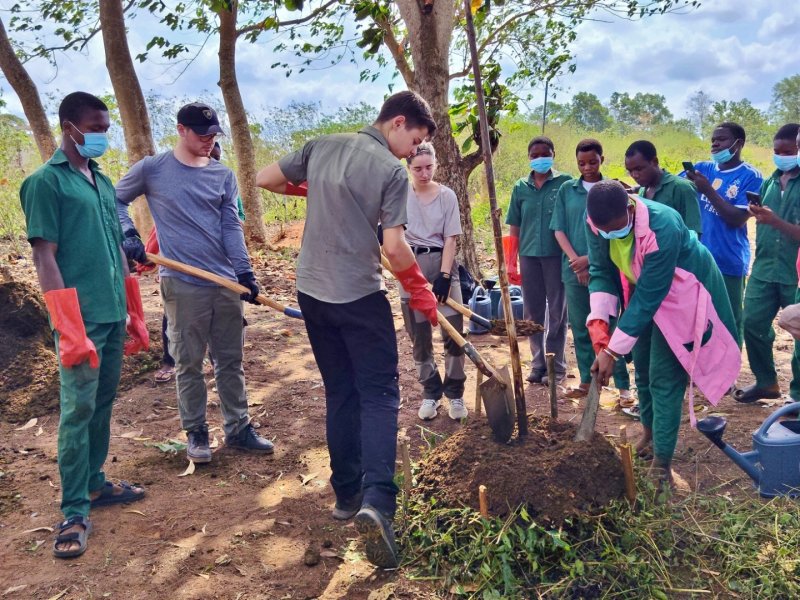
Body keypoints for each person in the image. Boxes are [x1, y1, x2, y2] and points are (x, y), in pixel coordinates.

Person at [255, 90, 438, 569]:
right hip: (358, 294)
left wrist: (316, 189)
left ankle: (345, 494)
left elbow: (265, 179)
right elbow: (395, 249)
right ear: (397, 122)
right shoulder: (390, 171)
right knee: (379, 394)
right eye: (414, 141)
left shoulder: (321, 146)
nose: (412, 152)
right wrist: (420, 290)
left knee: (341, 391)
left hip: (311, 291)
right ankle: (378, 501)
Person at [19, 92, 148, 559]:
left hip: (112, 313)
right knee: (77, 409)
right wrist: (67, 326)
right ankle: (74, 509)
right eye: (95, 126)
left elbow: (116, 247)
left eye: (106, 127)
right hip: (80, 317)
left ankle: (94, 484)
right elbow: (44, 256)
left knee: (103, 402)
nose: (102, 135)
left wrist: (133, 306)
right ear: (70, 126)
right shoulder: (44, 183)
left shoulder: (102, 181)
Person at [116, 102, 274, 464]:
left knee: (230, 360)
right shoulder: (153, 170)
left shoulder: (222, 175)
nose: (208, 141)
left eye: (213, 136)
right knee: (188, 362)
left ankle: (239, 428)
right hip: (182, 283)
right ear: (181, 130)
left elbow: (231, 226)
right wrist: (129, 235)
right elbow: (113, 199)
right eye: (202, 135)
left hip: (224, 282)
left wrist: (244, 272)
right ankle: (197, 432)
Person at [586, 180, 739, 489]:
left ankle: (663, 463)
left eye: (617, 229)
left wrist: (612, 352)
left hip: (680, 292)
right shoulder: (596, 220)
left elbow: (650, 296)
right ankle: (650, 434)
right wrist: (600, 328)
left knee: (663, 377)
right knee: (641, 365)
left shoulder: (663, 225)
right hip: (640, 289)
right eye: (605, 231)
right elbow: (600, 270)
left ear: (630, 207)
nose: (610, 235)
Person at [550, 139, 631, 402]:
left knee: (614, 326)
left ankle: (623, 386)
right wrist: (576, 261)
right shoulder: (567, 190)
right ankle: (587, 379)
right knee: (582, 326)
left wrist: (589, 260)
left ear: (602, 160)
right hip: (573, 270)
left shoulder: (613, 190)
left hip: (607, 269)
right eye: (582, 163)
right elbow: (559, 228)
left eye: (593, 162)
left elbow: (620, 233)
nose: (587, 167)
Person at [401, 142, 467, 421]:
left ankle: (455, 394)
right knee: (420, 337)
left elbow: (451, 238)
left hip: (441, 263)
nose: (424, 173)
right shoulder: (400, 194)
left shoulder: (447, 196)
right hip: (408, 266)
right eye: (418, 169)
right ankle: (430, 392)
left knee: (453, 334)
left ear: (435, 165)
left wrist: (443, 275)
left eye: (429, 167)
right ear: (409, 168)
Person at [736, 124, 800, 403]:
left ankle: (797, 396)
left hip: (794, 271)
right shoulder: (770, 182)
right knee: (752, 322)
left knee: (799, 333)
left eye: (788, 151)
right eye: (777, 151)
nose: (781, 156)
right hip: (764, 268)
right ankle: (766, 381)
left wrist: (776, 221)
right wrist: (757, 214)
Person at [683, 122, 763, 346]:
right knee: (697, 316)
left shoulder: (751, 176)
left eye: (722, 139)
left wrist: (707, 189)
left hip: (728, 259)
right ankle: (702, 368)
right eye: (713, 140)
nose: (715, 144)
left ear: (739, 143)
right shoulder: (702, 168)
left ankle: (728, 374)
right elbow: (669, 185)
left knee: (728, 318)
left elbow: (737, 218)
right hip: (697, 258)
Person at [505, 136, 572, 384]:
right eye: (534, 155)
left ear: (553, 155)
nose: (540, 158)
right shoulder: (520, 187)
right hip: (529, 256)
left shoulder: (565, 184)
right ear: (529, 158)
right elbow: (515, 225)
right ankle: (537, 363)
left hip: (556, 256)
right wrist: (511, 260)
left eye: (544, 153)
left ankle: (557, 367)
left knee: (557, 311)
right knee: (532, 312)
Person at [624, 140, 702, 235]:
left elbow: (693, 233)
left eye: (639, 169)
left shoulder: (682, 188)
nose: (634, 175)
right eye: (630, 171)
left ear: (654, 162)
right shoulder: (642, 191)